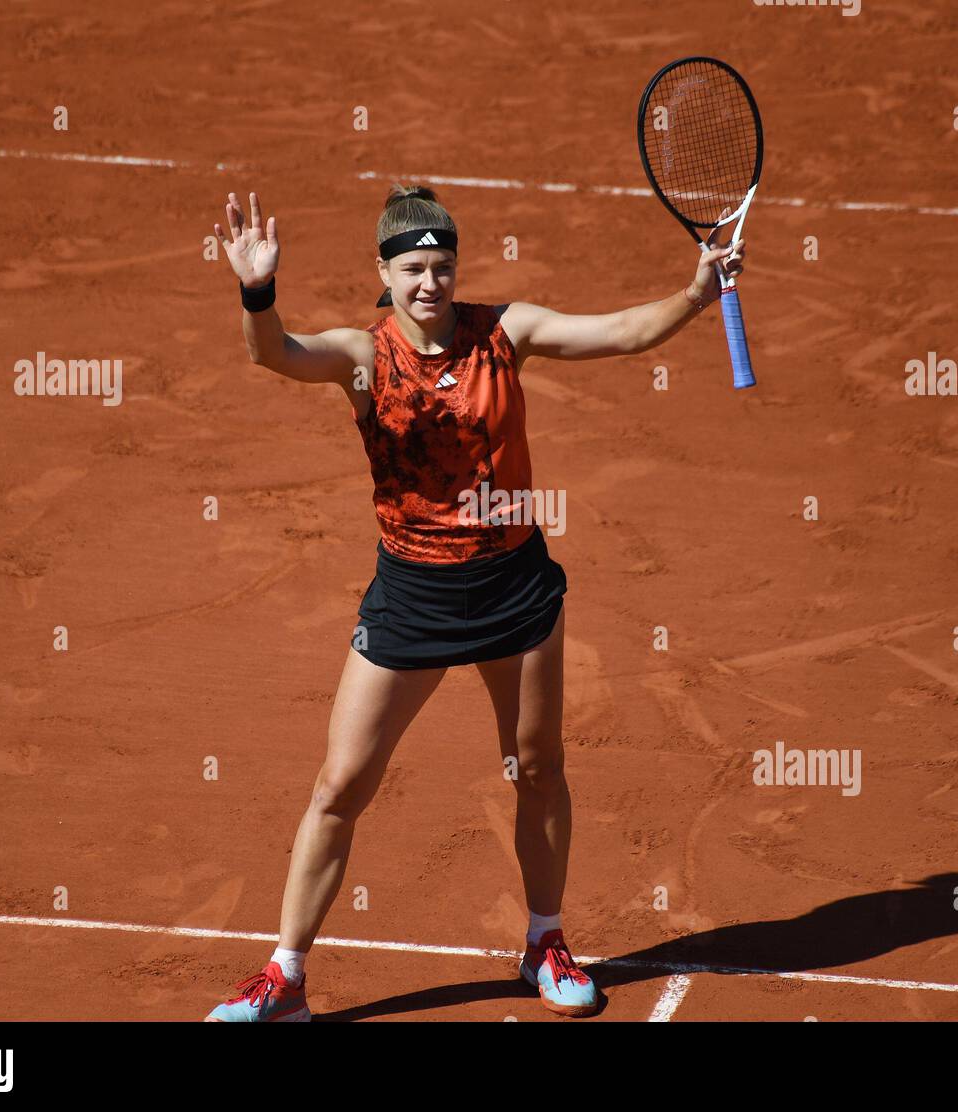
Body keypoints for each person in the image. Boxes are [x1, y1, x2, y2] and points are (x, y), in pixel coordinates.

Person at [204, 185, 744, 1021]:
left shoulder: (506, 331)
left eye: (444, 267)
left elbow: (621, 333)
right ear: (385, 271)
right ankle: (286, 975)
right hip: (411, 595)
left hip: (513, 588)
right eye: (414, 268)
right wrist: (256, 290)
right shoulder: (363, 356)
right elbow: (271, 353)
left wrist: (694, 294)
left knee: (537, 768)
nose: (432, 283)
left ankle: (545, 940)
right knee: (340, 784)